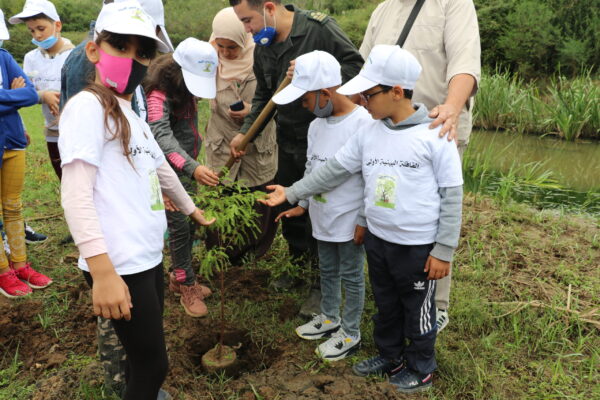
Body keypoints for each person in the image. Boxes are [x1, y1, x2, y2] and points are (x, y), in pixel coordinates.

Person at [261, 45, 463, 393]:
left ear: (397, 92)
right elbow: (335, 169)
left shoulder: (435, 134)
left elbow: (452, 195)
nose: (362, 100)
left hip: (417, 247)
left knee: (417, 310)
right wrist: (293, 192)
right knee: (386, 305)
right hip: (379, 240)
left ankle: (421, 367)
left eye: (368, 94)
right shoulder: (369, 132)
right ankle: (390, 356)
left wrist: (443, 250)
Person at [59, 2, 214, 399]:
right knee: (154, 364)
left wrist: (194, 209)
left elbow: (161, 168)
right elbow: (75, 194)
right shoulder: (87, 108)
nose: (131, 60)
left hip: (145, 255)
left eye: (142, 52)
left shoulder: (130, 113)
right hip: (118, 262)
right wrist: (102, 272)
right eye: (120, 47)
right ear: (94, 50)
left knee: (141, 352)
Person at [228, 0, 363, 317]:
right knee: (291, 205)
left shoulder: (319, 30)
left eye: (249, 20)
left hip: (325, 135)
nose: (248, 30)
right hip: (286, 139)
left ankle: (320, 284)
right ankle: (298, 265)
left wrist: (312, 74)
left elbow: (358, 70)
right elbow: (265, 95)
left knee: (320, 207)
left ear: (269, 8)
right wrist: (246, 133)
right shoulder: (263, 48)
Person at [360, 0, 481, 331]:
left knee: (433, 208)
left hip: (435, 127)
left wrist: (452, 109)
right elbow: (364, 69)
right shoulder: (382, 11)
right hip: (388, 129)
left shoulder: (453, 4)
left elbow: (465, 65)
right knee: (393, 205)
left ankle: (436, 302)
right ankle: (398, 291)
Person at [272, 50, 369, 361]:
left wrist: (364, 218)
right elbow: (312, 169)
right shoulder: (316, 125)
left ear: (325, 93)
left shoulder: (363, 124)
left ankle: (350, 331)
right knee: (326, 267)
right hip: (322, 215)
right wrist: (301, 202)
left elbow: (371, 178)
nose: (302, 106)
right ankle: (329, 316)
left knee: (351, 274)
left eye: (305, 98)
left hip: (349, 217)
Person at [144, 38, 219, 318]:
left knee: (189, 226)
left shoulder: (184, 89)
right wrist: (192, 167)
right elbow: (160, 137)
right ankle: (185, 283)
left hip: (186, 170)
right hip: (169, 174)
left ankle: (182, 275)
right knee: (178, 228)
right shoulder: (159, 94)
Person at [204, 7, 278, 264]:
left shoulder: (265, 57)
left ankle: (251, 257)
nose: (225, 53)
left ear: (244, 39)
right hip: (222, 145)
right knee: (222, 202)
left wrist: (252, 112)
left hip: (257, 148)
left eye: (232, 47)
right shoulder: (208, 61)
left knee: (256, 205)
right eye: (220, 46)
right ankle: (222, 257)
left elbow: (278, 100)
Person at [0, 8, 53, 299]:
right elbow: (22, 96)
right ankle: (2, 271)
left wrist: (13, 96)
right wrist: (12, 96)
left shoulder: (4, 58)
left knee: (13, 206)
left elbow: (31, 94)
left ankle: (20, 264)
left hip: (13, 141)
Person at [10, 0, 74, 180]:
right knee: (63, 178)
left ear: (57, 25)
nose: (37, 35)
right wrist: (42, 96)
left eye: (41, 28)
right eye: (31, 30)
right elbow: (22, 94)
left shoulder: (74, 56)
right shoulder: (30, 58)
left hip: (76, 131)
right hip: (52, 131)